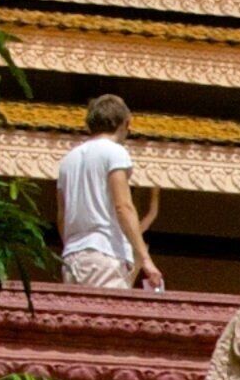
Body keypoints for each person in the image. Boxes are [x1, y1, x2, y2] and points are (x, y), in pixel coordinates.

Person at [57, 95, 162, 290]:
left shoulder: (67, 161)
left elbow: (62, 217)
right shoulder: (115, 152)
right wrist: (145, 259)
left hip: (72, 258)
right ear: (125, 123)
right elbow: (123, 206)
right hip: (104, 254)